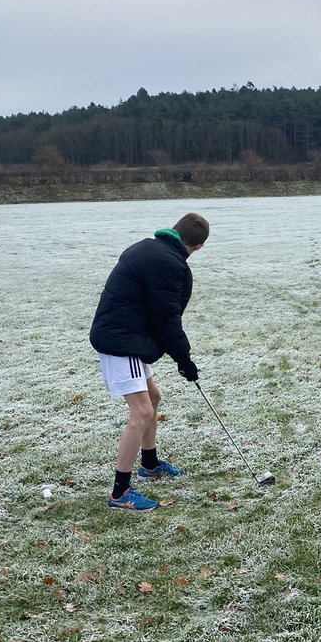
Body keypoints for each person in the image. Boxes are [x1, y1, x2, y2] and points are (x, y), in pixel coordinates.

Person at [89, 212, 209, 511]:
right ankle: (120, 493)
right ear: (199, 246)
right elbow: (167, 319)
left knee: (153, 397)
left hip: (130, 336)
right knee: (141, 410)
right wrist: (185, 360)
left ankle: (150, 464)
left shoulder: (149, 247)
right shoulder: (167, 263)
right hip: (121, 341)